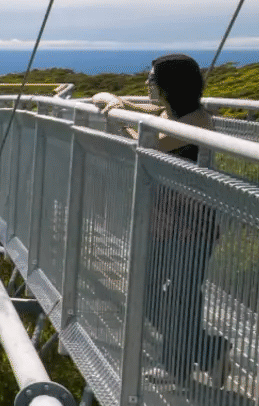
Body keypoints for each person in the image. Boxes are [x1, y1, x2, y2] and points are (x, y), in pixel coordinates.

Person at [91, 54, 228, 386]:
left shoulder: (197, 121)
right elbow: (107, 100)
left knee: (182, 293)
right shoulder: (169, 114)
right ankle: (208, 351)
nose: (146, 84)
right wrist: (111, 101)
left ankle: (177, 366)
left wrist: (116, 117)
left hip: (193, 224)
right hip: (164, 220)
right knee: (150, 291)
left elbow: (149, 145)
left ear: (170, 85)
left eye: (151, 80)